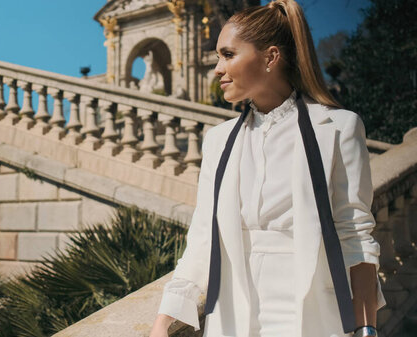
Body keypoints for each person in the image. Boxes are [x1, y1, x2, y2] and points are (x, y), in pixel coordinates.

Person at [149, 1, 385, 337]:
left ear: (271, 57)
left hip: (311, 315)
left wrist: (366, 329)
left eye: (228, 55)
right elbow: (203, 237)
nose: (217, 68)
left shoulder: (339, 128)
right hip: (233, 315)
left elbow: (356, 237)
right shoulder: (218, 141)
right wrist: (163, 322)